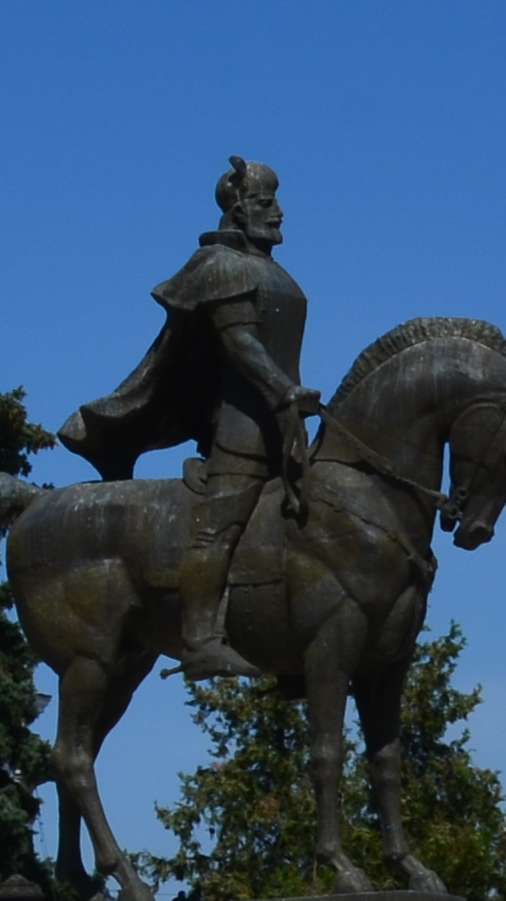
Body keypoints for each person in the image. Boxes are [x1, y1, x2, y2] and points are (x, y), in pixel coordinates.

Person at [56, 155, 318, 680]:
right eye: (267, 204)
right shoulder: (219, 266)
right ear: (239, 209)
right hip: (242, 431)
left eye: (276, 202)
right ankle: (200, 641)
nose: (280, 213)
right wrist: (284, 388)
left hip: (287, 430)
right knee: (217, 533)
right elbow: (240, 344)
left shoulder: (272, 271)